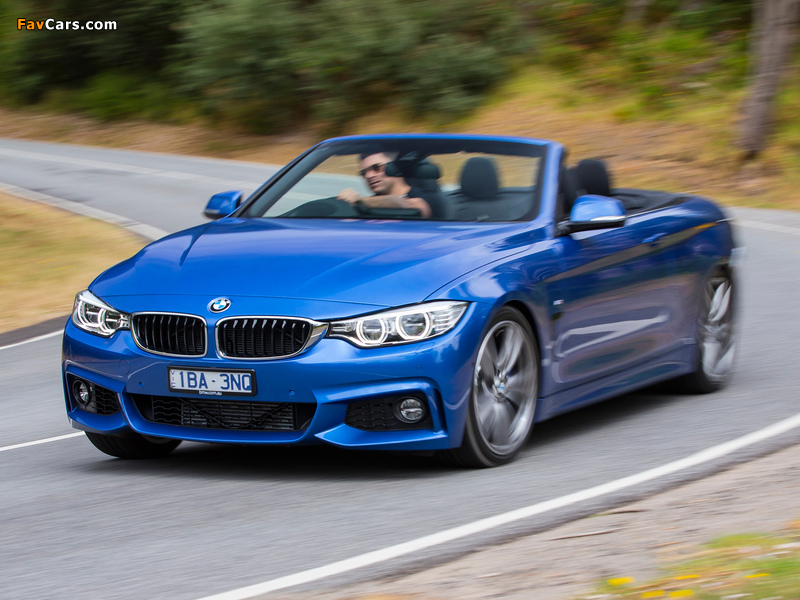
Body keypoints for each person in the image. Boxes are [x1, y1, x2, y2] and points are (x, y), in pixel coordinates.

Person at [337, 152, 433, 218]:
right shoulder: (371, 202)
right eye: (363, 173)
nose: (369, 176)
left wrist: (360, 200)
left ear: (395, 167)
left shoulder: (425, 196)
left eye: (376, 168)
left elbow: (413, 205)